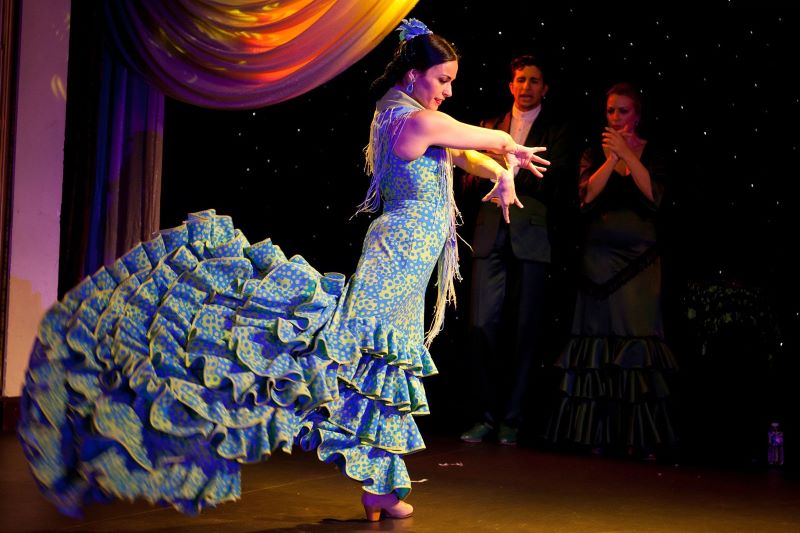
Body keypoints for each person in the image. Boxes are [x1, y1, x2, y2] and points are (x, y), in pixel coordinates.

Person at [16, 19, 549, 522]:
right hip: (399, 258)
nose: (449, 91)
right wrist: (509, 153)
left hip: (408, 261)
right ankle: (208, 398)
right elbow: (484, 138)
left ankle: (381, 487)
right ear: (416, 75)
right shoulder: (413, 118)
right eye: (443, 80)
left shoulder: (411, 113)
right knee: (340, 357)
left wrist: (500, 172)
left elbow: (463, 154)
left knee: (381, 369)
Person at [545, 81, 677, 459]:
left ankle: (640, 438)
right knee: (596, 340)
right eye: (611, 111)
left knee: (637, 341)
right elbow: (586, 196)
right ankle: (594, 435)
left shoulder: (654, 153)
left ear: (638, 115)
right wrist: (611, 159)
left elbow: (655, 195)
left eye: (623, 111)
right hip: (598, 261)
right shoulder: (592, 153)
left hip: (640, 261)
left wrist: (628, 156)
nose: (616, 117)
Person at [459, 54, 577, 446]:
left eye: (534, 80)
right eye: (520, 80)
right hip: (490, 232)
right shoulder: (490, 126)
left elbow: (554, 183)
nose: (526, 86)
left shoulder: (558, 131)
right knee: (481, 325)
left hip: (531, 236)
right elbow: (468, 182)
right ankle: (485, 416)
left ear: (544, 87)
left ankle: (512, 419)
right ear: (511, 85)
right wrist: (495, 168)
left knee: (525, 331)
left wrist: (503, 165)